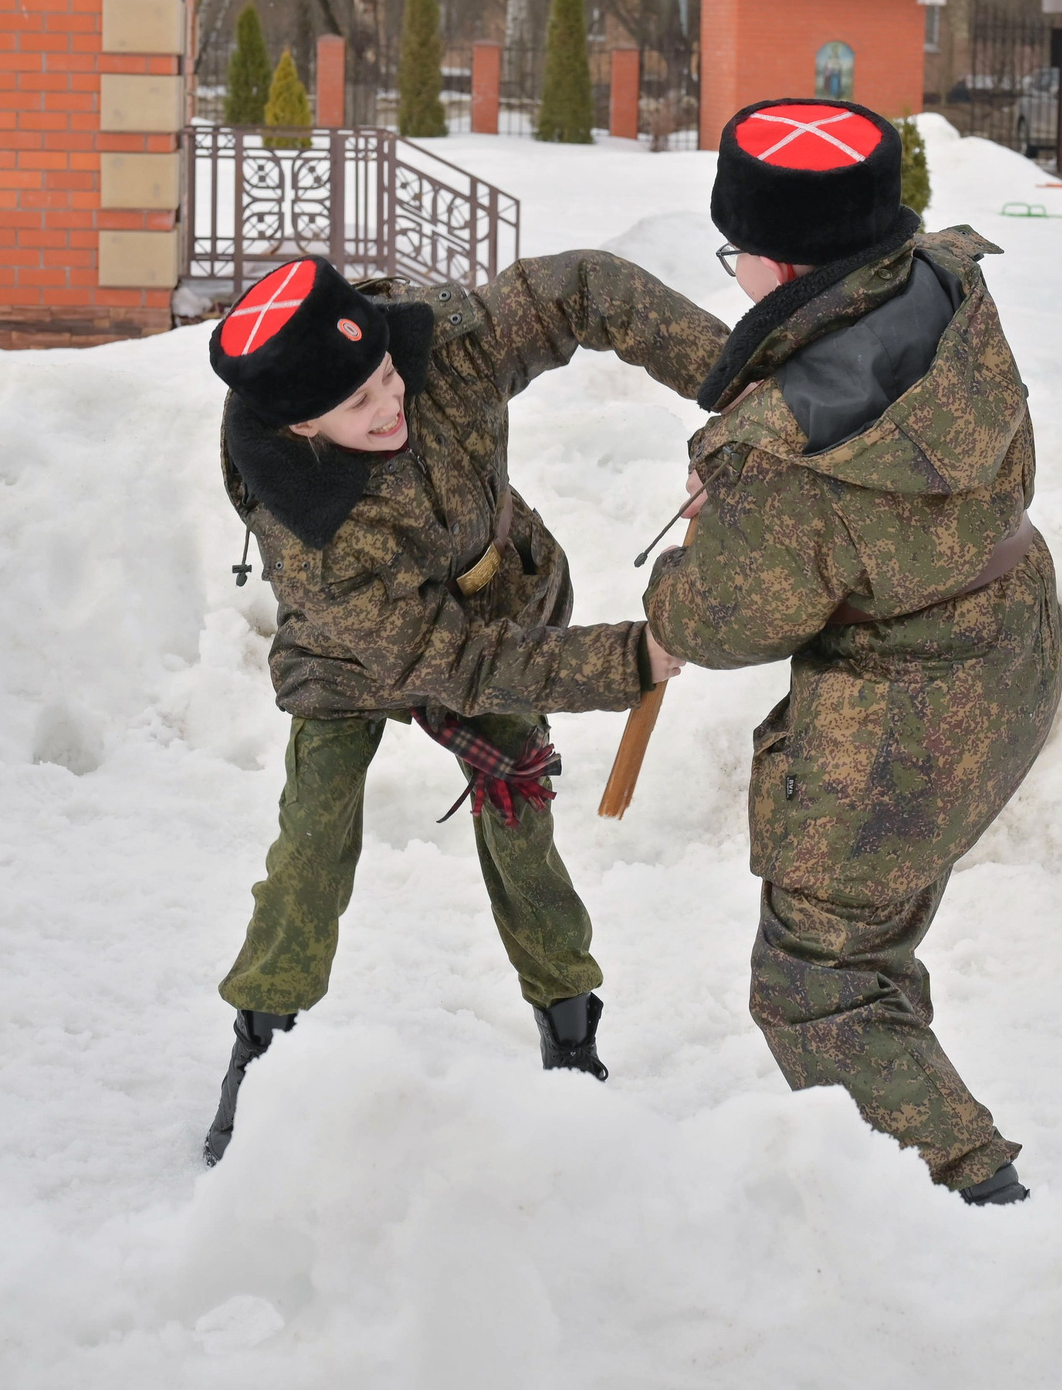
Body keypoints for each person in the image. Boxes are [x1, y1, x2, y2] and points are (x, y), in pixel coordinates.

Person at [201, 249, 726, 1165]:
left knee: (521, 820)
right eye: (360, 405)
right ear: (301, 431)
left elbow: (585, 291)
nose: (391, 400)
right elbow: (451, 663)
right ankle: (262, 1048)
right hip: (362, 650)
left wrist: (738, 391)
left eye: (386, 376)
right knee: (314, 845)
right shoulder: (314, 541)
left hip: (495, 598)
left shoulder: (441, 350)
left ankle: (570, 1032)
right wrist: (624, 660)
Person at [642, 99, 1062, 1207]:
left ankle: (970, 1197)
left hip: (901, 725)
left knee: (815, 979)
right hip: (1003, 638)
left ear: (779, 263)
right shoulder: (942, 281)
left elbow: (718, 622)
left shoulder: (789, 447)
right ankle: (915, 1131)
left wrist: (692, 553)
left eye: (736, 256)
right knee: (869, 938)